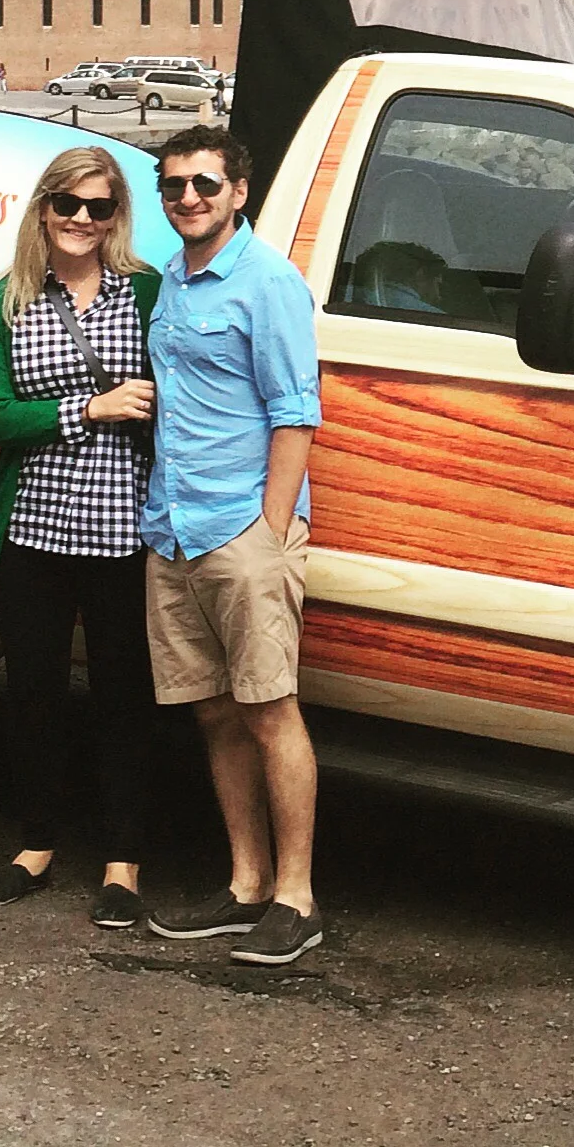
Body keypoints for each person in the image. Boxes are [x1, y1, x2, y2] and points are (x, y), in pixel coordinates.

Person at [139, 127, 326, 967]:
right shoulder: (175, 281)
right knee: (214, 711)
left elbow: (296, 412)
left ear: (238, 191)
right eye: (174, 186)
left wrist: (270, 530)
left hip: (241, 531)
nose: (188, 199)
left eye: (204, 185)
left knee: (268, 708)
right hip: (175, 529)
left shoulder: (268, 283)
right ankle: (246, 884)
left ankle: (297, 897)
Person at [0, 147, 163, 927]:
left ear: (117, 216)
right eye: (68, 205)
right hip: (34, 530)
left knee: (125, 699)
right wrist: (89, 408)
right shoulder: (4, 300)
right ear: (43, 209)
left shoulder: (148, 292)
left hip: (125, 530)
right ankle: (37, 843)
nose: (83, 220)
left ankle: (123, 862)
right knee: (33, 693)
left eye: (100, 207)